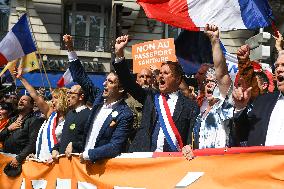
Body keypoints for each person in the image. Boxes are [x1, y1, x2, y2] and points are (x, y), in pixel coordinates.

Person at [113, 35, 199, 153]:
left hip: (171, 162)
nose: (160, 76)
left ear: (178, 79)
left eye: (166, 73)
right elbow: (128, 83)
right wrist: (119, 54)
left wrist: (189, 146)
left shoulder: (191, 106)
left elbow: (191, 138)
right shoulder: (150, 96)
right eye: (160, 73)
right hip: (144, 158)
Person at [63, 34, 134, 163]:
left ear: (121, 89)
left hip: (102, 170)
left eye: (110, 82)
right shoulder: (98, 100)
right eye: (105, 81)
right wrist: (70, 48)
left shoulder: (125, 114)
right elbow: (81, 77)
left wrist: (88, 154)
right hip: (83, 167)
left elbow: (115, 146)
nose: (104, 84)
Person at [192, 24, 234, 149]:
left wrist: (215, 41)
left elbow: (221, 73)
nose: (209, 84)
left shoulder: (224, 104)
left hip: (220, 161)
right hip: (201, 162)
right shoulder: (201, 112)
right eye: (207, 81)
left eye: (214, 82)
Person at [14, 70, 69, 161]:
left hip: (56, 163)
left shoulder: (70, 118)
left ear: (63, 100)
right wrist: (21, 78)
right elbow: (35, 96)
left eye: (55, 98)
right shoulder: (51, 114)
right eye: (51, 98)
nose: (52, 101)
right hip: (41, 161)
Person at [233, 50, 284, 146]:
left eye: (283, 65)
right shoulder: (262, 101)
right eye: (277, 66)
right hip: (261, 160)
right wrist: (240, 108)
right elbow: (243, 136)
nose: (278, 70)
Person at [0, 95, 44, 168]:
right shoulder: (12, 119)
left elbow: (32, 143)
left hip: (19, 161)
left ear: (31, 105)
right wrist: (9, 129)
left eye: (24, 100)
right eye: (20, 99)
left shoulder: (34, 120)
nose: (21, 101)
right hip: (5, 157)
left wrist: (19, 158)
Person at [51, 84, 91, 159]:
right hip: (63, 163)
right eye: (68, 93)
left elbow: (89, 141)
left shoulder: (88, 115)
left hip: (76, 164)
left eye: (71, 93)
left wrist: (74, 145)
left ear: (81, 97)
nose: (68, 97)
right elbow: (64, 138)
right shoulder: (70, 114)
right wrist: (56, 149)